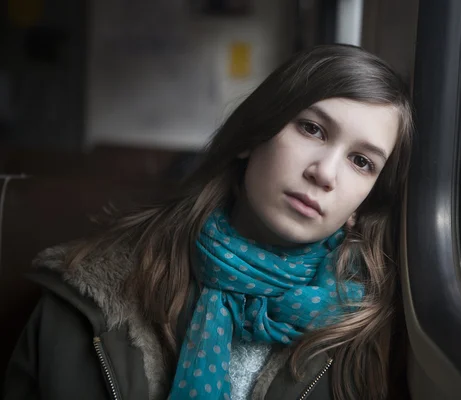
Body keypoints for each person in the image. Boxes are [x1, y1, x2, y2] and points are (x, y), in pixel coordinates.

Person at [3, 44, 413, 400]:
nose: (325, 173)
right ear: (254, 135)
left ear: (366, 200)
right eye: (311, 128)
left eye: (361, 162)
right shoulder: (92, 292)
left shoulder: (378, 331)